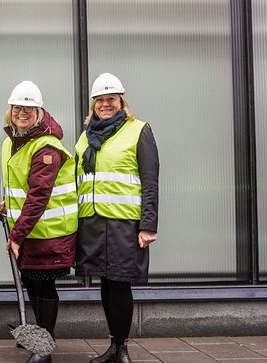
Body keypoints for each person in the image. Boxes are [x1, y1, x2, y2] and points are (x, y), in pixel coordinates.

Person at [75, 73, 159, 363]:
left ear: (121, 102)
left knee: (121, 284)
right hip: (93, 223)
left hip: (125, 223)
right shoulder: (86, 137)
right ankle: (112, 346)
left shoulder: (138, 131)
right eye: (100, 100)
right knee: (106, 284)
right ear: (93, 105)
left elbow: (150, 181)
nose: (105, 104)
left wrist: (148, 225)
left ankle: (122, 349)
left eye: (111, 99)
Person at [0, 81, 78, 363]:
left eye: (29, 108)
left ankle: (44, 347)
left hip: (49, 232)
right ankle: (39, 337)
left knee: (43, 285)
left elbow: (39, 196)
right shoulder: (12, 141)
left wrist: (17, 236)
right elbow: (22, 186)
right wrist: (8, 205)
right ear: (11, 110)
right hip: (30, 229)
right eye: (18, 107)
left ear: (39, 111)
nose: (22, 112)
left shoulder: (46, 147)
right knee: (32, 282)